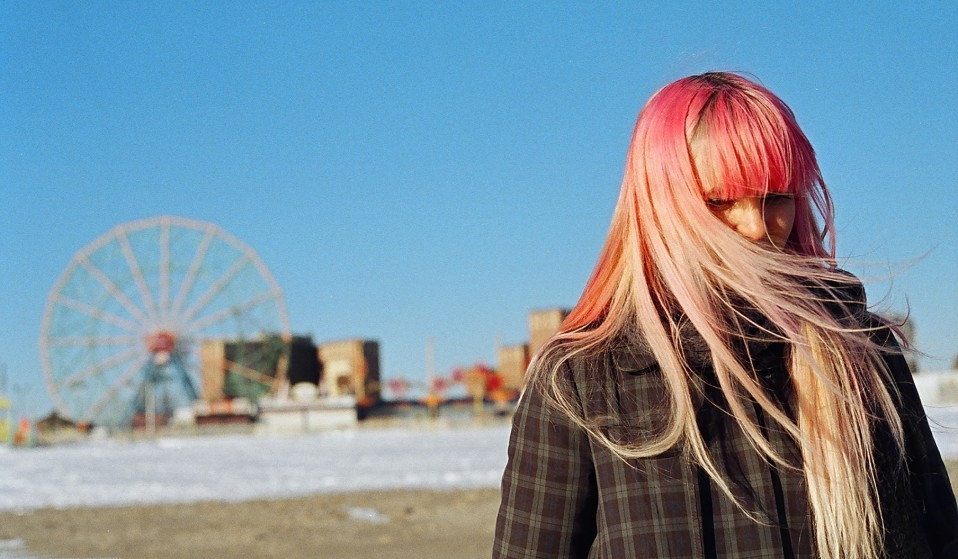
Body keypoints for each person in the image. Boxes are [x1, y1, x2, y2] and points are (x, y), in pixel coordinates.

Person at [493, 72, 958, 559]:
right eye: (720, 201)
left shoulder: (860, 350)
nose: (758, 227)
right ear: (658, 206)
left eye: (777, 196)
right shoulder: (582, 381)